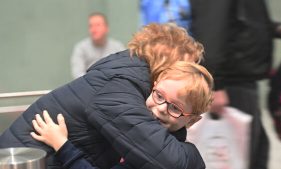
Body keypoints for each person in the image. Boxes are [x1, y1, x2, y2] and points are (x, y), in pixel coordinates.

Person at [0, 23, 205, 169]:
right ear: (167, 63)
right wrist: (194, 155)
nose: (189, 75)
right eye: (187, 67)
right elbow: (169, 162)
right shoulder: (120, 88)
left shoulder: (128, 77)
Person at [30, 61, 214, 169]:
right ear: (153, 86)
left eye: (175, 108)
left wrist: (62, 145)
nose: (160, 109)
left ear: (192, 120)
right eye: (158, 95)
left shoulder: (162, 158)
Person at [189, 0, 281, 168]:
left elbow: (243, 20)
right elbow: (210, 29)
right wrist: (214, 85)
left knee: (253, 155)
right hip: (229, 86)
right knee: (238, 159)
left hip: (238, 83)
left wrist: (279, 29)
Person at [71, 12, 125, 79]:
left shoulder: (118, 47)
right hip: (87, 86)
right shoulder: (81, 48)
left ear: (107, 28)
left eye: (98, 25)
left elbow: (124, 71)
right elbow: (77, 74)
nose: (94, 29)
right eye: (91, 26)